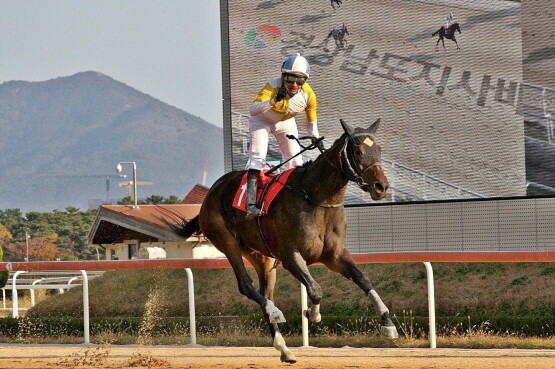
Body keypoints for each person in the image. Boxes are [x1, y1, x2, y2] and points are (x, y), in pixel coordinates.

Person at [245, 53, 319, 220]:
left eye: (300, 80)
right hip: (261, 120)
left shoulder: (309, 95)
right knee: (258, 157)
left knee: (295, 161)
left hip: (286, 122)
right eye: (290, 78)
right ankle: (251, 205)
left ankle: (297, 199)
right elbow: (253, 109)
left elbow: (311, 118)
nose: (294, 84)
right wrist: (272, 101)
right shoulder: (272, 85)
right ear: (282, 76)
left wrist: (314, 136)